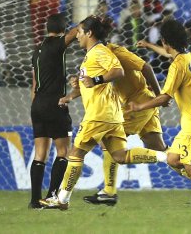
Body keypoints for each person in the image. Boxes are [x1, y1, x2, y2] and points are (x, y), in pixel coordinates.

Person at [39, 16, 166, 210]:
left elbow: (117, 71)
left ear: (89, 33)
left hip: (99, 114)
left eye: (79, 32)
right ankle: (168, 156)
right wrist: (72, 94)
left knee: (76, 153)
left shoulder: (100, 51)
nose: (76, 36)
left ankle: (62, 199)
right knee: (119, 156)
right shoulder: (91, 55)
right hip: (112, 114)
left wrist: (96, 79)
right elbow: (90, 83)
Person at [127, 19, 191, 214]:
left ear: (166, 42)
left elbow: (165, 97)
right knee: (173, 158)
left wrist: (139, 106)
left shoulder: (178, 65)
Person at [79, 42, 166, 206]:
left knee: (109, 141)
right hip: (137, 102)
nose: (79, 38)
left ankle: (109, 192)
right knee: (158, 148)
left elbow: (146, 67)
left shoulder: (116, 52)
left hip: (139, 101)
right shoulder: (96, 56)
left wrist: (159, 96)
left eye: (81, 33)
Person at [29, 14, 78, 209]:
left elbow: (34, 84)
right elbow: (76, 32)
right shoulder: (57, 44)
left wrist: (36, 107)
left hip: (37, 104)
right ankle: (51, 196)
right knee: (63, 151)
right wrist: (88, 20)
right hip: (54, 103)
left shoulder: (37, 51)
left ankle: (34, 201)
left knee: (40, 154)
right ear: (62, 30)